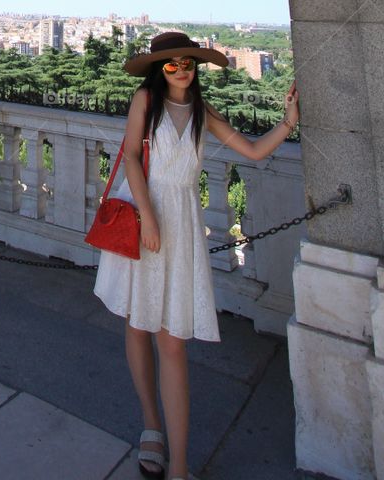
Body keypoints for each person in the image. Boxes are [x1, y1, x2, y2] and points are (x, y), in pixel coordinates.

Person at [92, 30, 299, 480]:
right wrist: (147, 216)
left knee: (172, 341)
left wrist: (287, 122)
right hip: (147, 213)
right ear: (157, 69)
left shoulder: (203, 111)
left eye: (188, 62)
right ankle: (152, 427)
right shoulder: (145, 102)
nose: (181, 69)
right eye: (171, 64)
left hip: (182, 221)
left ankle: (180, 466)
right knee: (137, 321)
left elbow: (253, 150)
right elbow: (130, 158)